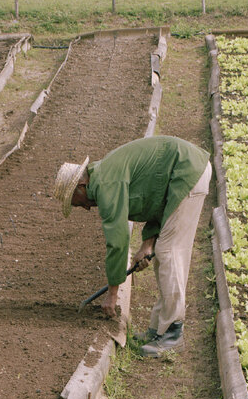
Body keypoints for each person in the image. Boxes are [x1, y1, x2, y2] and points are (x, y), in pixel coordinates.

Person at [53, 135, 211, 356]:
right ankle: (158, 330)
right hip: (179, 175)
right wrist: (147, 244)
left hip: (188, 173)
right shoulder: (106, 175)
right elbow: (153, 197)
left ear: (81, 186)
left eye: (77, 203)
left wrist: (112, 292)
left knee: (169, 252)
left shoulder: (106, 184)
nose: (86, 209)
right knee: (163, 254)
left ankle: (173, 333)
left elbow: (117, 241)